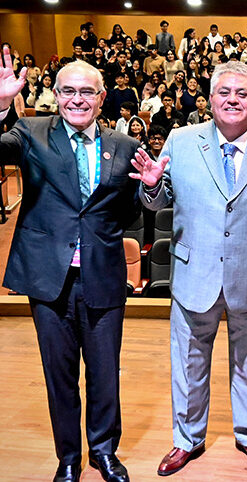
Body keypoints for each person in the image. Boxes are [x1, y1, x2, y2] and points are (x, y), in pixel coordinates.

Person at [131, 61, 247, 476]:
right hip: (193, 274)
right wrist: (150, 184)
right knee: (188, 362)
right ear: (210, 98)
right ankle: (187, 439)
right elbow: (156, 201)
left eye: (243, 93)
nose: (233, 99)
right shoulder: (181, 140)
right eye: (224, 92)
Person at [0, 53, 140, 482]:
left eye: (86, 92)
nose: (77, 99)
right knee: (59, 374)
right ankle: (67, 457)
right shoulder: (30, 132)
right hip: (49, 277)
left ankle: (104, 451)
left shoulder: (125, 145)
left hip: (103, 274)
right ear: (56, 95)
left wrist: (151, 188)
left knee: (104, 372)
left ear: (102, 98)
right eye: (68, 91)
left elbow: (133, 211)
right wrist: (1, 107)